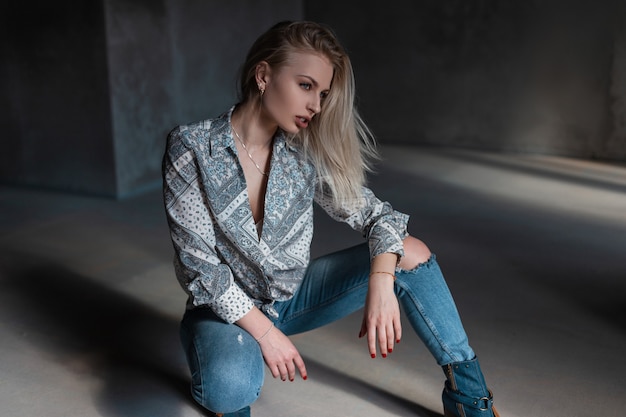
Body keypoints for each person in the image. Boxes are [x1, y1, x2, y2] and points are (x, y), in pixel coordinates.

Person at [163, 20, 500, 417]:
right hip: (223, 311)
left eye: (322, 93)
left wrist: (381, 279)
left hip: (291, 300)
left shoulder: (303, 154)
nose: (317, 106)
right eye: (305, 86)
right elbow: (199, 267)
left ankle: (470, 400)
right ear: (264, 75)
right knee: (230, 385)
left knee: (407, 252)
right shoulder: (192, 146)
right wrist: (266, 334)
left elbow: (380, 216)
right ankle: (234, 365)